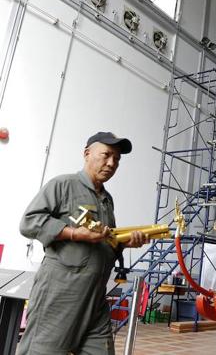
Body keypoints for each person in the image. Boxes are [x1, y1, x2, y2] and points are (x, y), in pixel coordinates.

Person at [18, 132, 150, 355]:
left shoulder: (107, 199)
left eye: (117, 159)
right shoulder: (63, 185)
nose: (111, 163)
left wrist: (125, 243)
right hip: (60, 293)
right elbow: (29, 223)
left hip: (96, 297)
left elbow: (104, 241)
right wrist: (74, 233)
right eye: (106, 155)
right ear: (87, 153)